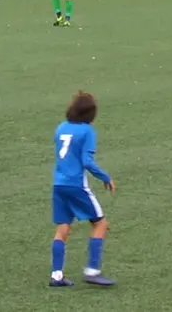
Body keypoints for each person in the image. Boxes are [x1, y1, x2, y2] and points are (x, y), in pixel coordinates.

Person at [50, 91, 116, 287]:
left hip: (58, 184)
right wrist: (105, 177)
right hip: (76, 185)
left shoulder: (61, 128)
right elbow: (87, 161)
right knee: (101, 223)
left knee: (63, 227)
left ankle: (56, 275)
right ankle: (92, 271)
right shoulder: (87, 131)